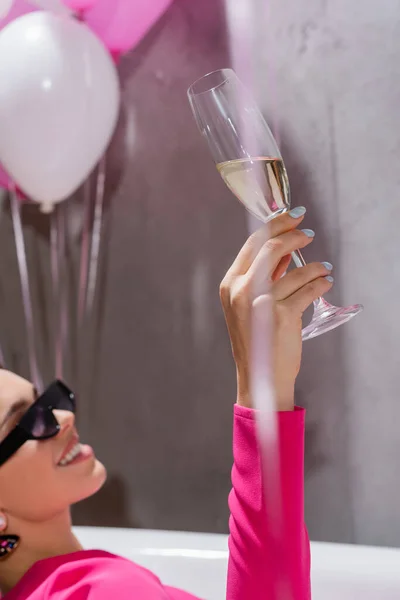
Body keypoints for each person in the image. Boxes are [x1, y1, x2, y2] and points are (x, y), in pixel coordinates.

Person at [0, 207, 332, 599]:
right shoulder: (100, 591)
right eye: (31, 421)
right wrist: (261, 389)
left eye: (49, 399)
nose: (64, 416)